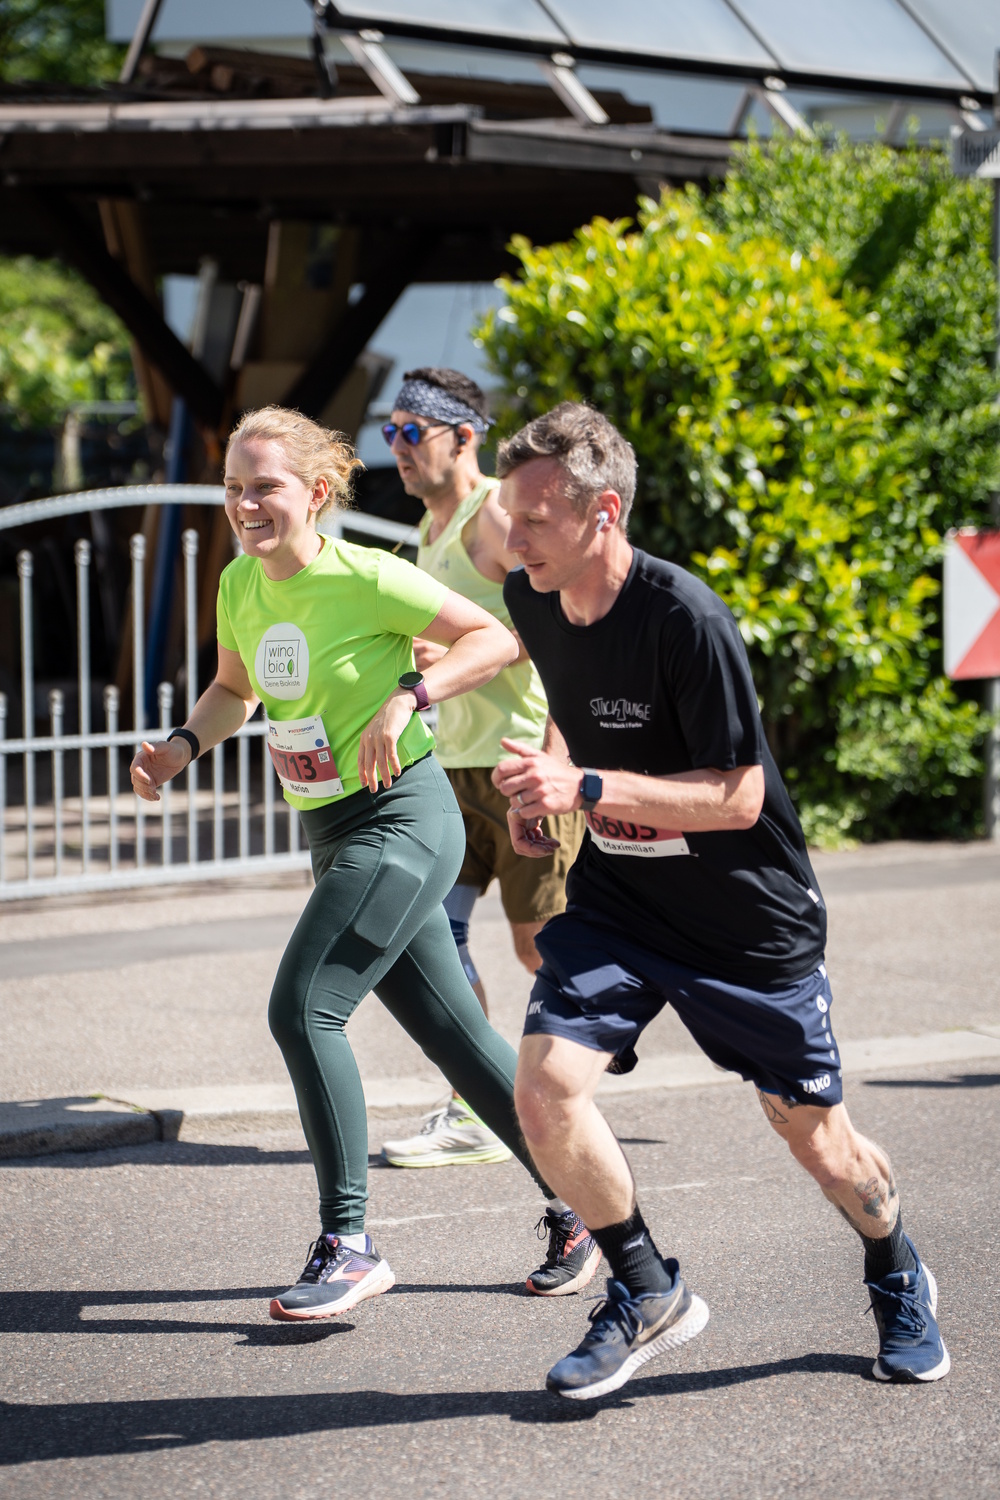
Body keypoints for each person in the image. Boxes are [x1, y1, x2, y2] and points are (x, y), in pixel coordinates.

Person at [489, 401, 950, 1397]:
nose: (512, 539)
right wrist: (546, 788)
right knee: (545, 1091)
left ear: (603, 512)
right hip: (619, 901)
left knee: (819, 1145)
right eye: (508, 515)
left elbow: (738, 799)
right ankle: (646, 1288)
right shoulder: (535, 595)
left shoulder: (683, 618)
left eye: (532, 518)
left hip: (746, 922)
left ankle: (897, 1271)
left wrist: (586, 786)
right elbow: (571, 707)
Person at [128, 405, 569, 1322]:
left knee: (302, 1008)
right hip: (331, 830)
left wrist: (411, 694)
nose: (246, 505)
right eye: (234, 488)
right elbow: (234, 689)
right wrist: (181, 746)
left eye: (266, 487)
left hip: (403, 819)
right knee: (457, 1036)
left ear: (317, 492)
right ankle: (585, 1207)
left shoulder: (367, 575)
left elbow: (494, 638)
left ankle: (349, 1242)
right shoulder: (240, 584)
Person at [375, 368, 595, 1296]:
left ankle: (571, 1082)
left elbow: (553, 631)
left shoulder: (496, 519)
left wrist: (555, 763)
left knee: (542, 950)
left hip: (518, 766)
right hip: (450, 769)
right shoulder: (425, 533)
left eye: (411, 430)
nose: (395, 447)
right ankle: (478, 1100)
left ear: (463, 436)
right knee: (438, 935)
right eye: (388, 430)